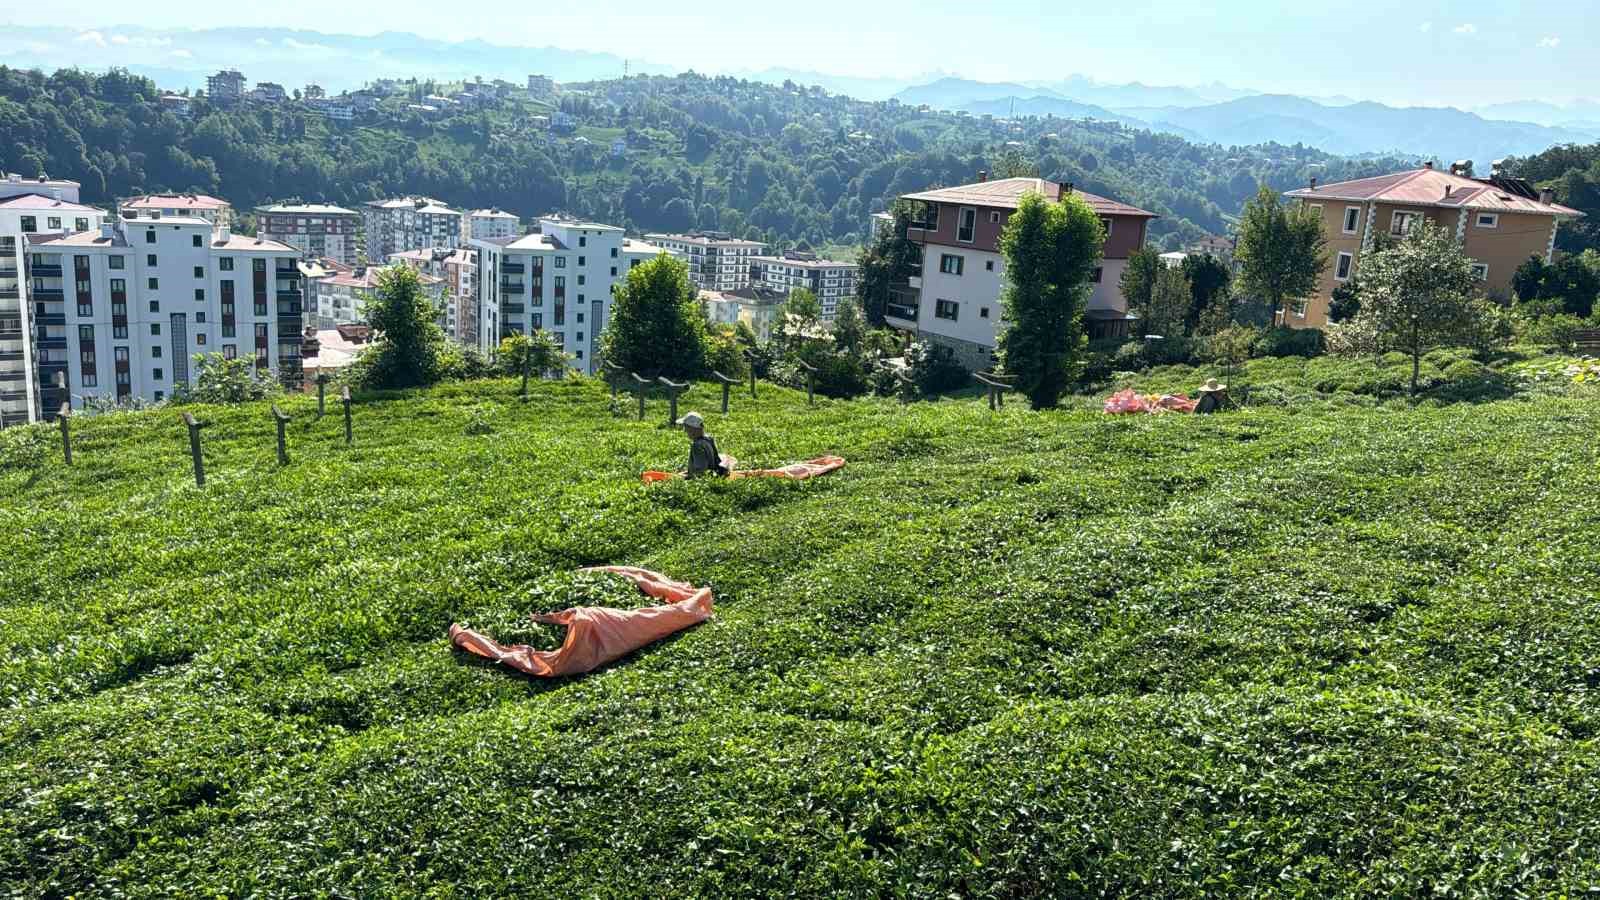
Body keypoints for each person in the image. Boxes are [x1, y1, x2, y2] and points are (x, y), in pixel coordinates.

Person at [677, 411, 731, 478]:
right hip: (713, 474)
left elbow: (701, 474)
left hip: (704, 480)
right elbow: (715, 462)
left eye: (686, 427)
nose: (685, 431)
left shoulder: (697, 446)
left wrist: (684, 476)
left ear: (692, 429)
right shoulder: (709, 439)